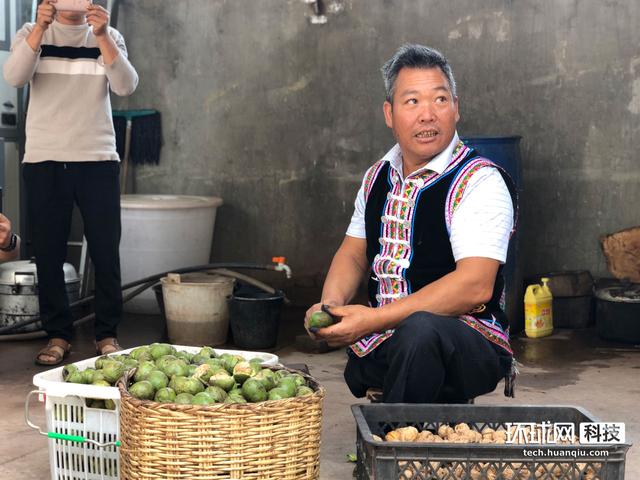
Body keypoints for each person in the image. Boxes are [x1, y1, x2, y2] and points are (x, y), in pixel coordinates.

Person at [305, 44, 517, 403]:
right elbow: (354, 254)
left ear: (456, 108)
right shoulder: (378, 176)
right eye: (412, 102)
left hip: (464, 346)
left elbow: (475, 285)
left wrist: (372, 320)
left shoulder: (480, 181)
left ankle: (398, 445)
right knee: (402, 343)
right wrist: (330, 306)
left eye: (439, 100)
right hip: (386, 344)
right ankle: (402, 423)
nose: (427, 115)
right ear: (389, 114)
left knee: (420, 332)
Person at [3, 0, 138, 365]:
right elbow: (14, 77)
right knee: (47, 254)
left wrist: (103, 36)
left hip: (97, 159)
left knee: (106, 252)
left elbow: (126, 86)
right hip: (45, 158)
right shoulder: (29, 33)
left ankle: (107, 335)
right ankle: (58, 336)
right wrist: (38, 29)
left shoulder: (108, 36)